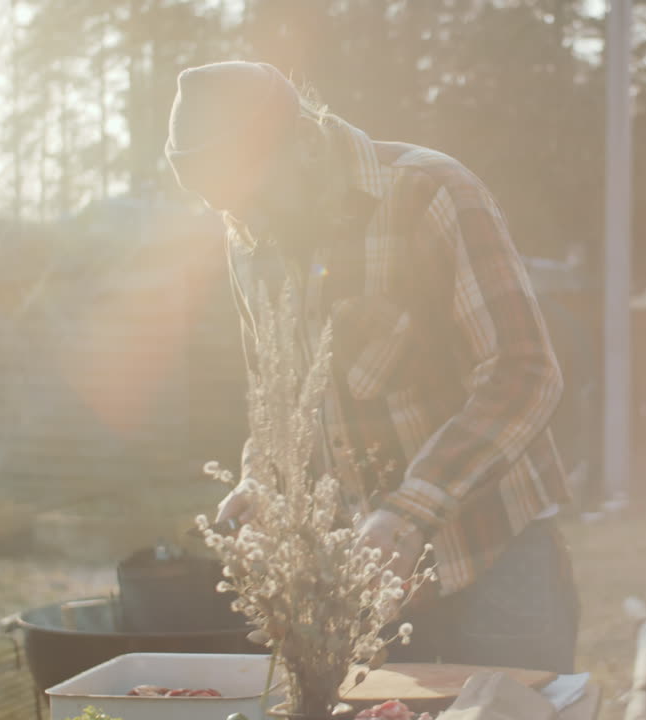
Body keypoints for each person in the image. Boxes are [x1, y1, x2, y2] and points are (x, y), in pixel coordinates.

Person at [163, 61, 579, 674]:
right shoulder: (248, 238)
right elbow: (278, 401)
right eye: (228, 208)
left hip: (497, 567)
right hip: (365, 589)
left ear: (304, 144)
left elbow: (524, 372)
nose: (249, 223)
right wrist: (261, 482)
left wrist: (410, 513)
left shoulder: (429, 191)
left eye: (256, 197)